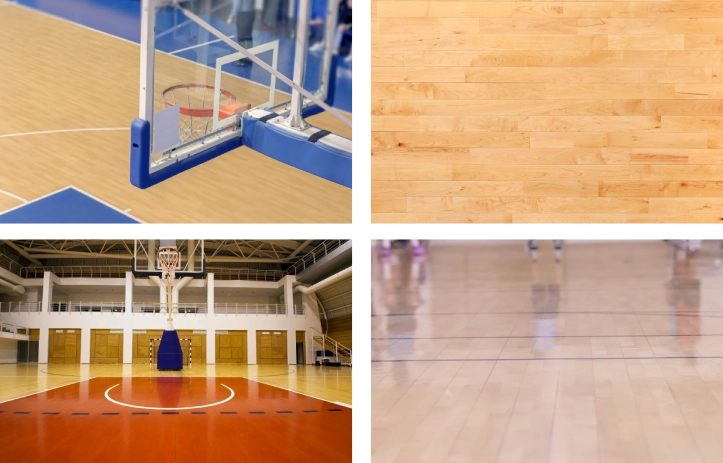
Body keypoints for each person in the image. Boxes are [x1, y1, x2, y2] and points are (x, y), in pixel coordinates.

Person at [227, 0, 256, 67]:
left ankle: (241, 60)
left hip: (242, 15)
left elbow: (237, 5)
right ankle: (249, 57)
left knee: (241, 37)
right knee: (248, 36)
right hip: (251, 13)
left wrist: (231, 17)